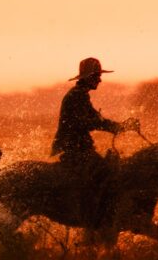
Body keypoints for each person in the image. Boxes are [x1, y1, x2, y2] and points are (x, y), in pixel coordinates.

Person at [51, 57, 139, 222]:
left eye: (99, 75)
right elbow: (87, 122)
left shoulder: (79, 94)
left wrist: (120, 126)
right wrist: (118, 127)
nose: (100, 79)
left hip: (75, 148)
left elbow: (94, 120)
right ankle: (99, 219)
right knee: (108, 176)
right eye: (97, 75)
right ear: (88, 77)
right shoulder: (78, 96)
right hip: (76, 150)